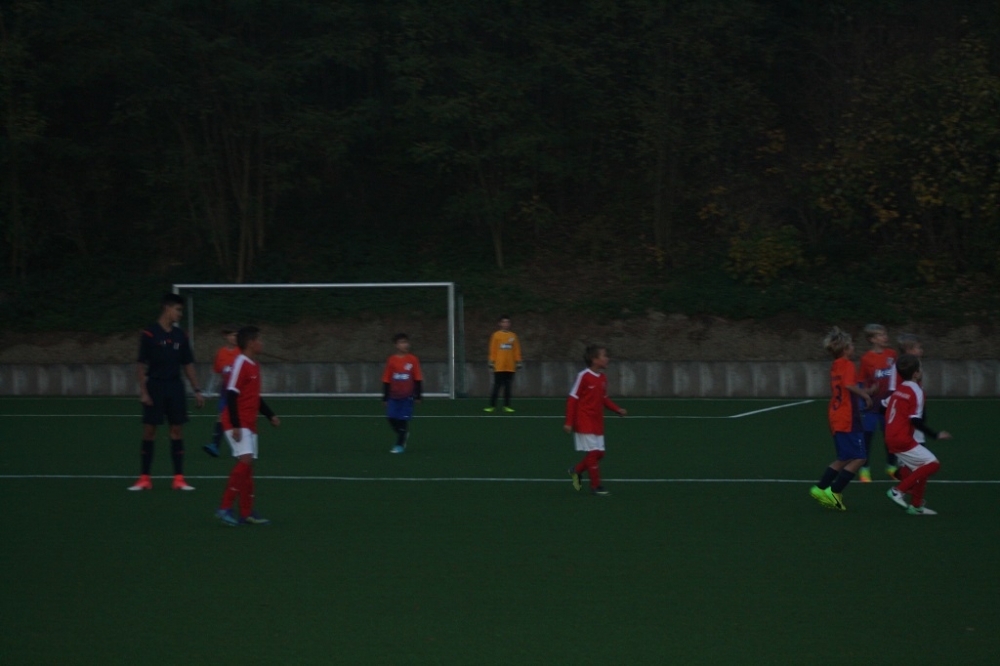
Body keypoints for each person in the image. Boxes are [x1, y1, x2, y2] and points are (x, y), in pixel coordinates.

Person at [129, 293, 205, 491]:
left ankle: (178, 479)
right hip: (155, 386)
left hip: (175, 387)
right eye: (178, 310)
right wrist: (143, 391)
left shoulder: (181, 335)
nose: (180, 314)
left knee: (177, 430)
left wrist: (197, 390)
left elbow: (187, 364)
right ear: (167, 308)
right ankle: (144, 478)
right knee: (149, 431)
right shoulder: (149, 334)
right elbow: (141, 364)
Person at [215, 326, 281, 526]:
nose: (262, 343)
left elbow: (254, 397)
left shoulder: (254, 365)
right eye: (259, 340)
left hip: (249, 423)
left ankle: (246, 513)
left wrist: (270, 415)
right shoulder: (240, 363)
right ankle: (225, 507)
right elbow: (231, 394)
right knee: (245, 460)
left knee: (248, 467)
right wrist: (235, 425)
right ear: (251, 343)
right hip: (237, 421)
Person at [809, 327, 873, 510]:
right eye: (851, 345)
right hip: (848, 417)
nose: (853, 348)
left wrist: (866, 391)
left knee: (845, 457)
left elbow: (845, 388)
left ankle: (820, 488)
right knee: (860, 457)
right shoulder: (848, 364)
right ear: (845, 349)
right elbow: (849, 385)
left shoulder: (836, 365)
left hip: (836, 416)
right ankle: (834, 492)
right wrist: (866, 395)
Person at [884, 354, 951, 515]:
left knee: (921, 468)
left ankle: (916, 506)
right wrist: (935, 435)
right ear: (916, 373)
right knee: (933, 464)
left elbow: (883, 405)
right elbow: (915, 420)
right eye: (920, 368)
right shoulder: (917, 390)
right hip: (902, 438)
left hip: (890, 436)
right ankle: (897, 491)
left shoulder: (899, 389)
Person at [565, 345, 627, 496]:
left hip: (597, 421)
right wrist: (569, 422)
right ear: (594, 360)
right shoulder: (583, 376)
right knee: (594, 453)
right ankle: (596, 486)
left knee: (600, 454)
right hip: (584, 420)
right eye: (604, 356)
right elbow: (573, 399)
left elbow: (604, 398)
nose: (607, 358)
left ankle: (576, 470)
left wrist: (617, 409)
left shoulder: (603, 378)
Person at [855, 324, 899, 482]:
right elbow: (861, 383)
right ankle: (865, 469)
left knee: (891, 438)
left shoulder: (892, 354)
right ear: (872, 339)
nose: (885, 337)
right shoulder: (866, 358)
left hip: (889, 406)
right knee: (867, 437)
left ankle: (891, 467)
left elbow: (897, 377)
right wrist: (867, 394)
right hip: (871, 407)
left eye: (885, 334)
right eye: (880, 335)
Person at [382, 333, 423, 454]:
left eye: (406, 342)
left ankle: (399, 445)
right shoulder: (391, 360)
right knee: (391, 418)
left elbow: (417, 378)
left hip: (407, 396)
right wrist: (385, 397)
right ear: (396, 345)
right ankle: (403, 433)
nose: (405, 345)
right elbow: (387, 379)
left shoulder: (413, 359)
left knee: (402, 420)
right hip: (393, 396)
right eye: (401, 342)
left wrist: (418, 395)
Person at [203, 325, 240, 458]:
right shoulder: (221, 353)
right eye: (232, 335)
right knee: (222, 415)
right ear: (226, 336)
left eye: (237, 335)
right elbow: (216, 373)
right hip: (226, 389)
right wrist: (209, 390)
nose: (235, 338)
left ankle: (242, 447)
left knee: (239, 417)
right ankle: (215, 445)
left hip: (240, 390)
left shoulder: (241, 352)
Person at [484, 315, 523, 413]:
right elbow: (493, 350)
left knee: (508, 387)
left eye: (507, 322)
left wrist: (518, 361)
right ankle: (492, 406)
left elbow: (516, 350)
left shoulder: (513, 336)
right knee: (496, 387)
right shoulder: (496, 335)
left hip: (510, 366)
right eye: (504, 322)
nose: (506, 324)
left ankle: (507, 406)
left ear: (510, 324)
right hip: (499, 366)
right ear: (500, 324)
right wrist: (491, 361)